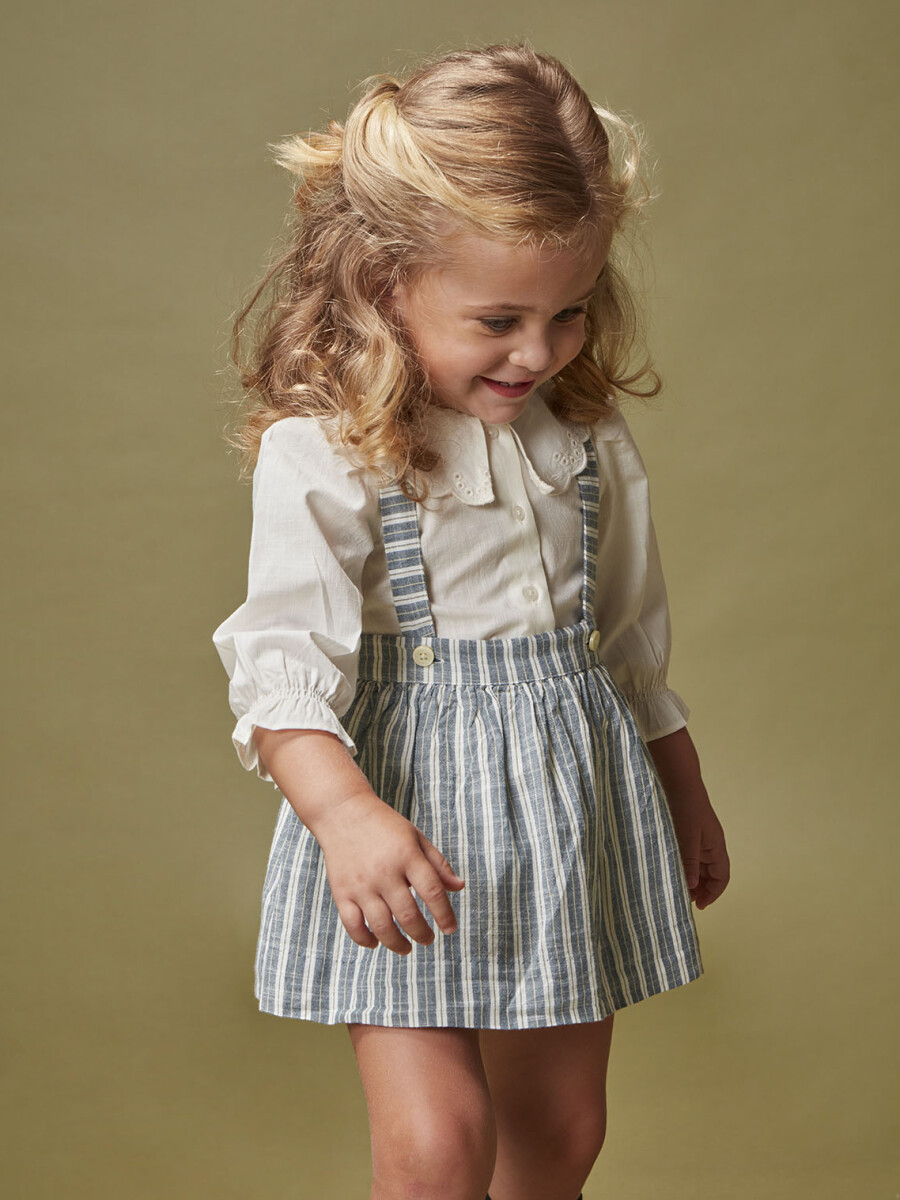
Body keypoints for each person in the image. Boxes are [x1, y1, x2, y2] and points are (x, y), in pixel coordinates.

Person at [212, 43, 730, 1200]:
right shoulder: (327, 451)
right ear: (384, 282)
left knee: (564, 1133)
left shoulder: (584, 443)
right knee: (437, 1147)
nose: (538, 352)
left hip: (570, 813)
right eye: (499, 318)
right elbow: (280, 666)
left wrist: (683, 786)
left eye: (569, 313)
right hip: (407, 832)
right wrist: (344, 815)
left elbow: (626, 642)